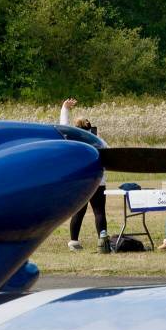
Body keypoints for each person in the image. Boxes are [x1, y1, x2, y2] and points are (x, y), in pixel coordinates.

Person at [60, 98, 110, 253]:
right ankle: (103, 239)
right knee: (99, 211)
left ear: (75, 127)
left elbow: (62, 127)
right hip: (98, 181)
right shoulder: (98, 140)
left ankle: (74, 241)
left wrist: (65, 108)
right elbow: (108, 155)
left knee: (78, 211)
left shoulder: (73, 140)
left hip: (80, 181)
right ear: (90, 127)